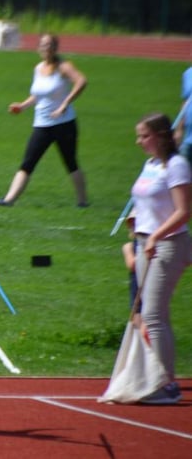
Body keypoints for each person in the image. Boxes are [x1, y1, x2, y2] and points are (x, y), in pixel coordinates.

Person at [0, 33, 89, 207]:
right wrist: (22, 106)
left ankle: (82, 202)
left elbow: (82, 81)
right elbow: (37, 95)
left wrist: (64, 104)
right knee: (28, 162)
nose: (45, 48)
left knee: (70, 162)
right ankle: (8, 200)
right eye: (42, 45)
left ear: (55, 47)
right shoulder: (38, 68)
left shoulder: (63, 66)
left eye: (49, 45)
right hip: (42, 124)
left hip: (64, 124)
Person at [130, 112, 192, 404]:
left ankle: (168, 384)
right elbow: (148, 199)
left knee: (153, 314)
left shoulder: (177, 166)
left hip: (168, 245)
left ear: (160, 136)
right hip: (145, 244)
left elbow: (183, 211)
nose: (139, 141)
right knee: (154, 315)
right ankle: (155, 378)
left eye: (144, 135)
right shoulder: (151, 164)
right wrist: (136, 218)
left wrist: (155, 235)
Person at [172, 66, 192, 165]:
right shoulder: (188, 73)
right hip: (188, 137)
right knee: (183, 170)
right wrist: (179, 130)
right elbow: (185, 103)